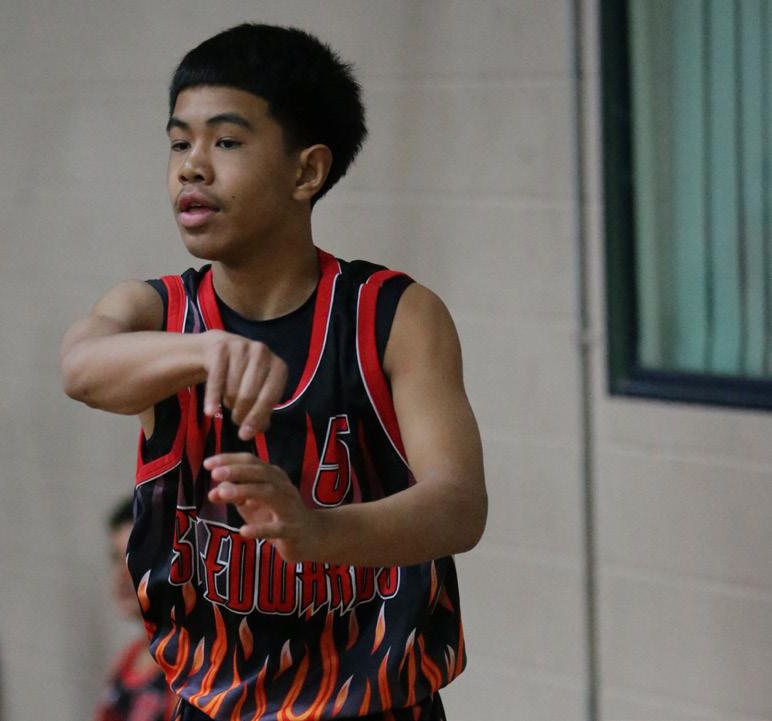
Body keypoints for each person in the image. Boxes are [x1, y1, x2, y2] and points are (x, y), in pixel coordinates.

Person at [61, 23, 487, 721]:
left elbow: (460, 505)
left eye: (226, 142)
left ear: (306, 172)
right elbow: (79, 367)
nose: (192, 167)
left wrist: (319, 531)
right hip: (217, 704)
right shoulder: (156, 312)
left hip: (377, 706)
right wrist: (205, 352)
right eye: (179, 143)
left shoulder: (395, 315)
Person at [95, 496, 177, 721]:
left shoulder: (193, 672)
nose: (122, 574)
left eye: (137, 559)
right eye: (116, 558)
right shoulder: (128, 660)